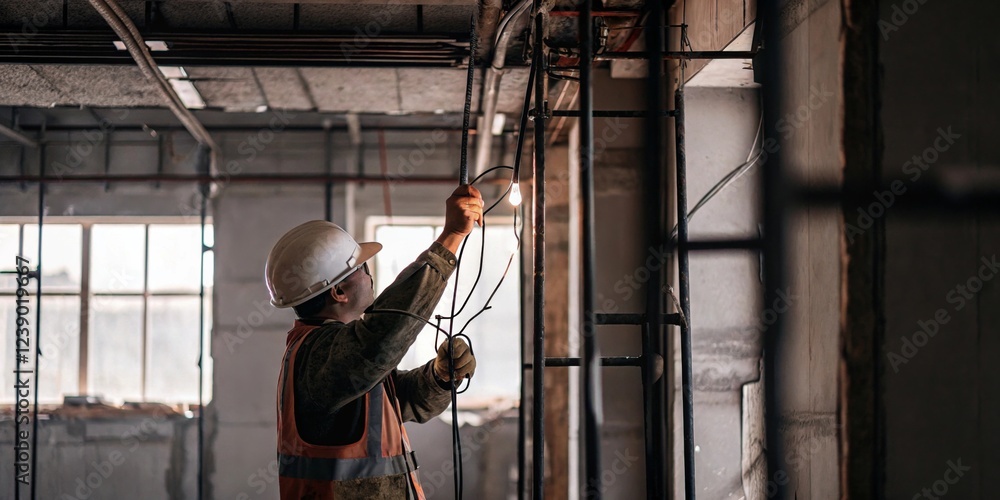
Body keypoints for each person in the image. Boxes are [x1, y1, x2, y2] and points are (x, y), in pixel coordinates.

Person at [264, 185, 484, 499]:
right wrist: (450, 237)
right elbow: (383, 335)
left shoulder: (334, 354)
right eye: (361, 269)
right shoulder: (319, 356)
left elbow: (397, 400)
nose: (370, 277)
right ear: (338, 293)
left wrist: (439, 376)